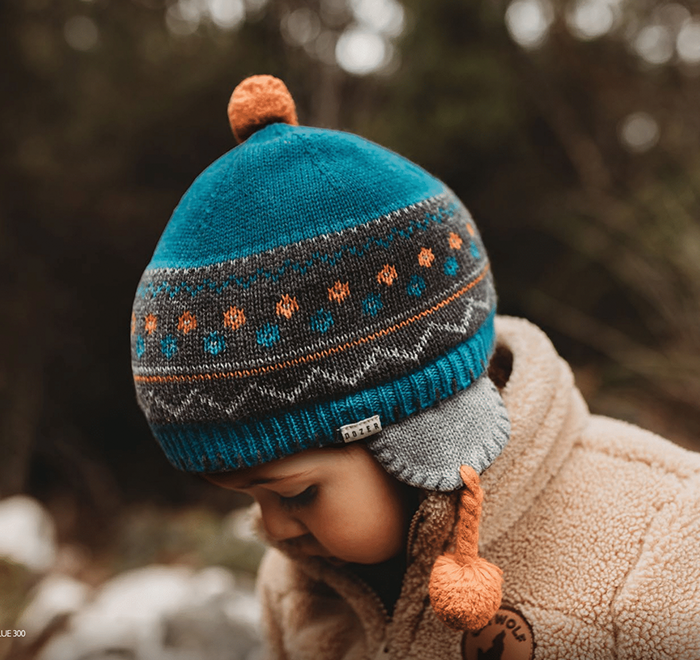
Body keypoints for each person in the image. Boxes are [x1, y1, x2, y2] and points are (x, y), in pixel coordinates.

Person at [130, 75, 700, 660]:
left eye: (296, 494)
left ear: (417, 431)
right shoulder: (295, 589)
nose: (272, 532)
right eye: (248, 498)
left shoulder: (664, 538)